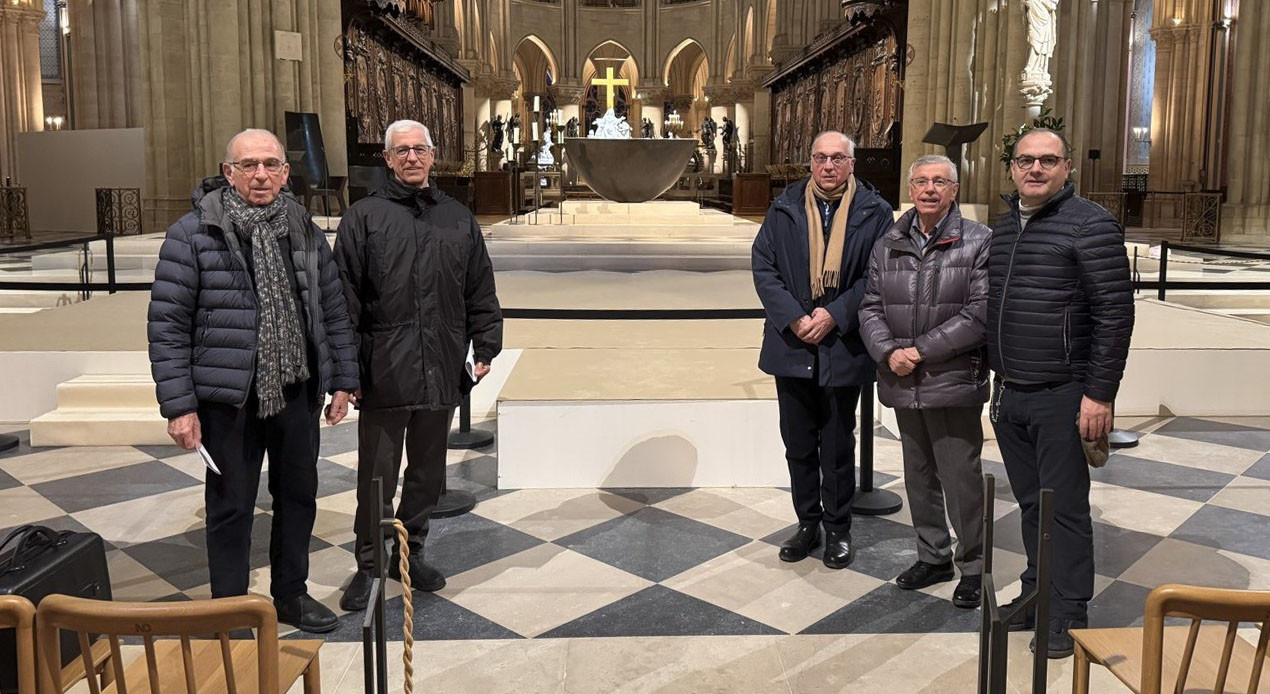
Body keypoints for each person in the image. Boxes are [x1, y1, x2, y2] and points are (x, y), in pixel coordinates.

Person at [148, 129, 358, 633]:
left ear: (286, 173)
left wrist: (344, 380)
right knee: (231, 506)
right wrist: (179, 406)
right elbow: (168, 325)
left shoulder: (302, 227)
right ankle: (229, 608)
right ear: (228, 173)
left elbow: (331, 307)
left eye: (270, 164)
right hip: (228, 398)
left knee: (298, 498)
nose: (260, 174)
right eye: (248, 165)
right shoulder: (193, 234)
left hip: (295, 389)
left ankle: (291, 594)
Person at [336, 120, 503, 610]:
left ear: (433, 156)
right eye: (401, 150)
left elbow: (480, 286)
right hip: (384, 368)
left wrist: (486, 344)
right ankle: (368, 564)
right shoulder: (363, 217)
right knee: (378, 476)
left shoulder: (457, 217)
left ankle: (409, 553)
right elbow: (342, 300)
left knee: (428, 473)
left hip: (442, 363)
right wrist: (347, 374)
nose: (412, 157)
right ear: (386, 159)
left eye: (420, 150)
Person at [988, 128, 1133, 658]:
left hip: (1064, 393)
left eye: (1048, 160)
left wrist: (1099, 394)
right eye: (1026, 160)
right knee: (1030, 503)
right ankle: (1036, 590)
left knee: (1065, 508)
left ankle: (1068, 610)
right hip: (1011, 392)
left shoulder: (1090, 225)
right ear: (1011, 168)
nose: (1035, 169)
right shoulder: (1003, 230)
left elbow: (1115, 315)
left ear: (1067, 167)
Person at [752, 131, 893, 569]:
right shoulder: (784, 207)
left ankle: (838, 529)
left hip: (841, 343)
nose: (828, 166)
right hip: (792, 343)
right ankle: (807, 523)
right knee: (797, 442)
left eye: (837, 158)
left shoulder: (875, 212)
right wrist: (794, 316)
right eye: (820, 158)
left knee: (836, 443)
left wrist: (833, 314)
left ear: (852, 164)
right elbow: (764, 265)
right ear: (809, 163)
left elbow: (876, 275)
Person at [858, 154, 989, 608]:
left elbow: (980, 313)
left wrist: (919, 350)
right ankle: (933, 556)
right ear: (910, 189)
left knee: (961, 479)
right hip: (901, 377)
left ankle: (974, 566)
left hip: (951, 378)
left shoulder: (978, 241)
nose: (929, 189)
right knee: (918, 475)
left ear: (955, 189)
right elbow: (870, 305)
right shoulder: (888, 241)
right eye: (921, 181)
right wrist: (888, 351)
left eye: (939, 181)